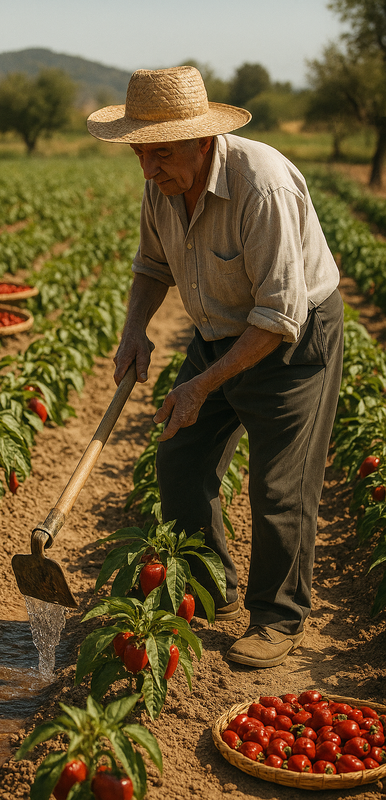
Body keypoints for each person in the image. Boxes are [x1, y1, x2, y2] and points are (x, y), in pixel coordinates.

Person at [86, 66, 343, 669]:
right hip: (219, 329)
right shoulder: (163, 182)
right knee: (180, 455)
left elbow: (279, 316)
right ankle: (211, 587)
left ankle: (279, 619)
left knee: (281, 485)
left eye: (162, 153)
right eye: (140, 154)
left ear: (204, 142)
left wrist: (201, 383)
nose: (148, 169)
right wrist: (135, 332)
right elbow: (153, 267)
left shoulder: (264, 187)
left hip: (290, 341)